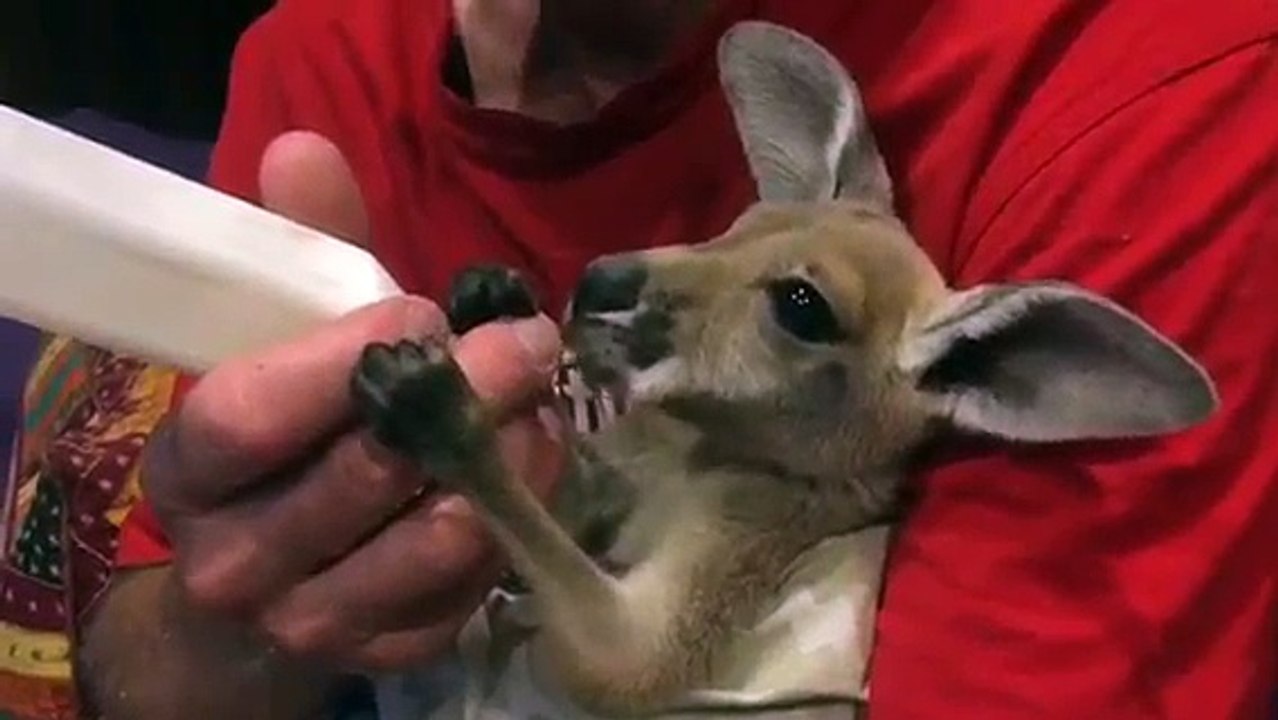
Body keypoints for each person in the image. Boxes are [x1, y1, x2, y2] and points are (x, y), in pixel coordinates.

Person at [2, 0, 1275, 718]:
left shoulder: (1140, 88)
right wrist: (258, 612)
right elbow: (155, 661)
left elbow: (630, 655)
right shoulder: (318, 59)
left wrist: (478, 475)